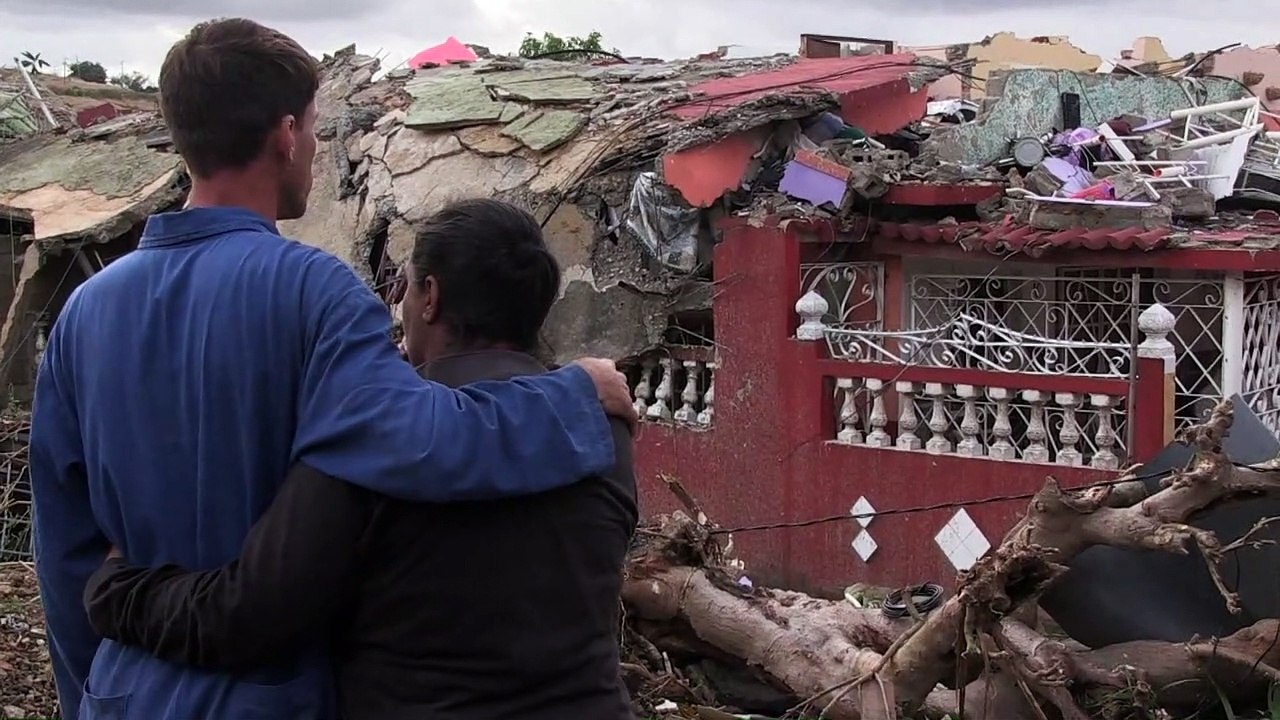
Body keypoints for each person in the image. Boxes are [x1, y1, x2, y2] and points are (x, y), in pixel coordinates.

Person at [31, 19, 635, 720]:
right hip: (269, 697)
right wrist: (574, 394)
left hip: (124, 688)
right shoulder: (313, 293)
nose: (314, 149)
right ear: (286, 135)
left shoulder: (83, 313)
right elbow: (419, 437)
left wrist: (92, 691)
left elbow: (66, 554)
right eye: (314, 129)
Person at [83, 198, 639, 720]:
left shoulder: (374, 436)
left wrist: (119, 590)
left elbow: (247, 614)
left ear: (430, 297)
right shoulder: (603, 429)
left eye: (404, 288)